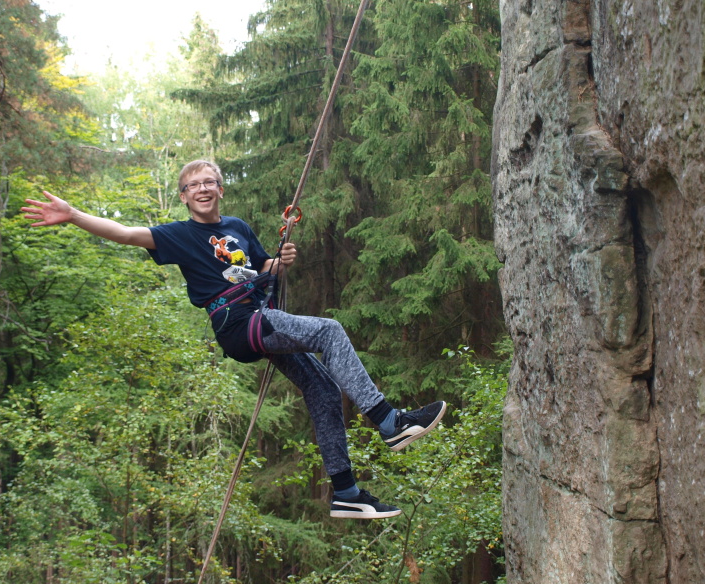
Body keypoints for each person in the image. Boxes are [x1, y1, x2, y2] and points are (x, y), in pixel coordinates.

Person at [22, 159, 446, 519]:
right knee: (328, 330)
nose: (202, 189)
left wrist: (280, 262)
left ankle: (346, 492)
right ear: (184, 197)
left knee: (323, 389)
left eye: (209, 182)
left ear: (220, 190)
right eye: (193, 186)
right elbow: (125, 232)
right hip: (238, 323)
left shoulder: (237, 227)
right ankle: (389, 421)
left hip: (261, 318)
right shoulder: (178, 235)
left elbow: (263, 269)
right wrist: (74, 215)